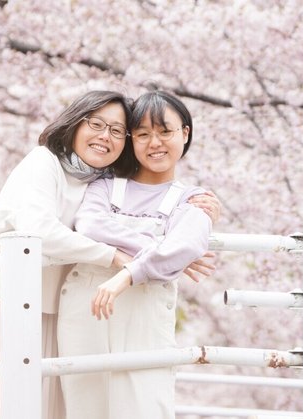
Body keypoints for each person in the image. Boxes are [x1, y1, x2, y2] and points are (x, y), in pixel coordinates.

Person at [0, 90, 220, 419]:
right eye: (96, 124)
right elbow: (39, 230)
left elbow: (161, 229)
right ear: (75, 123)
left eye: (116, 131)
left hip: (50, 308)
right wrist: (139, 256)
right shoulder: (44, 162)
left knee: (44, 408)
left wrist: (175, 250)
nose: (104, 136)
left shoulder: (101, 181)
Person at [57, 90, 214, 419]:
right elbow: (90, 226)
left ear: (185, 133)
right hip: (86, 310)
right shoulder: (105, 185)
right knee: (85, 408)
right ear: (131, 139)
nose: (154, 142)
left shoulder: (193, 200)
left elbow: (185, 245)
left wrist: (129, 273)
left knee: (145, 405)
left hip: (144, 315)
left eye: (165, 131)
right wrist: (159, 252)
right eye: (143, 134)